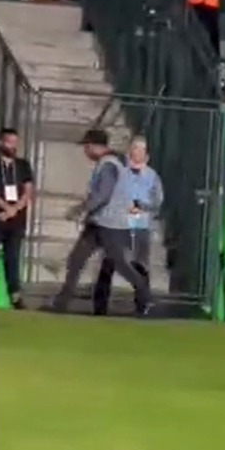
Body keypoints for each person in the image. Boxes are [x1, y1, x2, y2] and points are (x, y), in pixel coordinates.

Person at [49, 130, 153, 315]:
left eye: (87, 147)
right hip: (99, 223)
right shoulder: (112, 163)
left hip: (109, 224)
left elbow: (103, 195)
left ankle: (145, 297)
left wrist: (81, 208)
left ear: (95, 146)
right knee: (76, 260)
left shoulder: (108, 165)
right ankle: (61, 303)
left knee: (121, 265)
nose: (86, 152)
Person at [92, 138, 163, 316]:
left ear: (146, 154)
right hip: (118, 225)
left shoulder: (152, 176)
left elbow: (157, 201)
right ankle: (100, 306)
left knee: (140, 265)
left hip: (140, 225)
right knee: (110, 262)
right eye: (134, 149)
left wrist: (141, 205)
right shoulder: (119, 171)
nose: (136, 153)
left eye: (140, 150)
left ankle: (143, 304)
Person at [0, 128, 34, 309]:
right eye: (9, 142)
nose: (13, 146)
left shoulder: (23, 165)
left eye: (15, 143)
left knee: (13, 258)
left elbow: (28, 191)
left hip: (16, 221)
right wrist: (6, 208)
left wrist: (14, 209)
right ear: (1, 143)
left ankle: (15, 296)